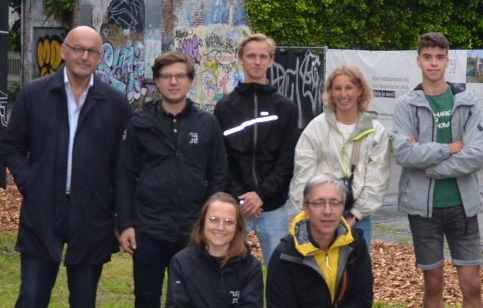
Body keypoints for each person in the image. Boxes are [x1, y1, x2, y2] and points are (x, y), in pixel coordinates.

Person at [0, 26, 130, 308]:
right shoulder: (35, 94)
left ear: (99, 57)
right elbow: (11, 147)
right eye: (77, 48)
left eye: (92, 51)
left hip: (92, 212)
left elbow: (122, 164)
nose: (84, 56)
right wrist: (31, 182)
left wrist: (122, 216)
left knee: (84, 300)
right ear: (63, 51)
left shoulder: (115, 102)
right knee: (32, 296)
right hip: (44, 208)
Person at [118, 52, 229, 307]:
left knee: (190, 299)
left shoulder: (207, 124)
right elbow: (125, 175)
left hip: (192, 230)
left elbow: (218, 177)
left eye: (180, 76)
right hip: (149, 230)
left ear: (190, 80)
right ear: (156, 81)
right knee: (146, 298)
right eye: (166, 76)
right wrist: (125, 223)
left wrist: (209, 224)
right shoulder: (139, 124)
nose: (174, 82)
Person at [391, 32, 483, 308]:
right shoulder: (405, 104)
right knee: (433, 284)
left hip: (463, 205)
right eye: (428, 57)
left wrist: (429, 166)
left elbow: (475, 156)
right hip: (424, 209)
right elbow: (405, 154)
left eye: (440, 57)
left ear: (448, 61)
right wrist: (448, 148)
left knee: (472, 284)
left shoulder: (467, 101)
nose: (434, 63)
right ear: (418, 60)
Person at [214, 33, 303, 262]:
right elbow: (220, 159)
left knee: (280, 274)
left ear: (271, 60)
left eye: (263, 56)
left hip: (272, 207)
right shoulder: (225, 107)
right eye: (251, 56)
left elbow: (287, 159)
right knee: (224, 268)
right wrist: (241, 198)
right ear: (240, 59)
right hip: (234, 207)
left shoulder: (285, 107)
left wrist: (261, 195)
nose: (256, 61)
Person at [290, 65, 391, 247]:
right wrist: (306, 212)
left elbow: (377, 180)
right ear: (330, 92)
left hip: (357, 217)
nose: (343, 94)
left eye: (349, 87)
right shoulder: (316, 128)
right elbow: (302, 174)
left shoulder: (375, 132)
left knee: (356, 272)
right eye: (337, 88)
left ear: (360, 90)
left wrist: (355, 216)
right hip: (320, 213)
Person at [267, 175, 373, 308]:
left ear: (342, 208)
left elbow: (362, 300)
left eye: (335, 203)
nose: (327, 211)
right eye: (318, 203)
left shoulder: (356, 245)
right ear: (306, 208)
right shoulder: (285, 256)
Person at [165, 193, 263, 308]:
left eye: (228, 222)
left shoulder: (251, 266)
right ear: (202, 222)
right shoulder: (181, 263)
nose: (220, 227)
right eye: (213, 219)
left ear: (237, 227)